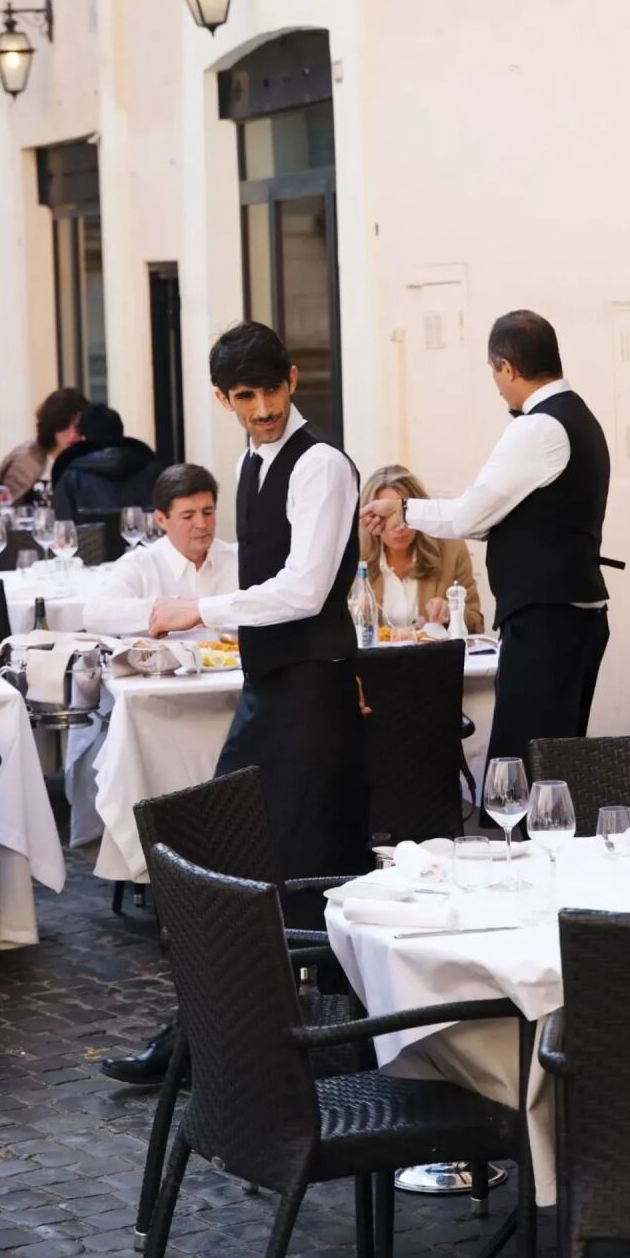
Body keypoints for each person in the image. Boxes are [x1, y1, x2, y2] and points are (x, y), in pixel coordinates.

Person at [101, 321, 368, 1088]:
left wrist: (199, 610)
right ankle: (212, 1033)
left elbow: (307, 589)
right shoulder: (252, 463)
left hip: (311, 691)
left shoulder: (320, 466)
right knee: (240, 861)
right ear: (223, 398)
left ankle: (323, 1045)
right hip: (273, 687)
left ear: (293, 380)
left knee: (308, 870)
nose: (261, 408)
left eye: (271, 391)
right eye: (243, 397)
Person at [362, 310, 611, 772]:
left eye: (494, 373)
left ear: (507, 368)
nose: (497, 386)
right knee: (556, 762)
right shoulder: (582, 419)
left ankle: (530, 843)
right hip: (576, 616)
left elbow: (470, 514)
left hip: (546, 622)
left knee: (526, 767)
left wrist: (404, 510)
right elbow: (485, 521)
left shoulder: (537, 428)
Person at [82, 462, 237, 637]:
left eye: (208, 512)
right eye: (188, 516)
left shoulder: (237, 558)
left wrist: (203, 611)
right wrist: (166, 609)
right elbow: (93, 615)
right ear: (161, 519)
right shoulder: (139, 564)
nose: (201, 524)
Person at [359, 465, 484, 632]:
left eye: (403, 514)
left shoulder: (451, 550)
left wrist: (452, 614)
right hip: (377, 657)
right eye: (387, 516)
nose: (399, 527)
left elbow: (477, 623)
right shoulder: (355, 558)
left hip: (432, 657)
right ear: (371, 518)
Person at [50, 404, 161, 520]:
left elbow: (61, 526)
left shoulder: (70, 477)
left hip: (87, 538)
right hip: (145, 537)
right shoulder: (152, 470)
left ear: (83, 437)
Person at [0, 387, 89, 510]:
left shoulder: (85, 460)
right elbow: (2, 509)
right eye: (64, 427)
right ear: (52, 426)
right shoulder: (27, 460)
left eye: (77, 428)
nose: (72, 435)